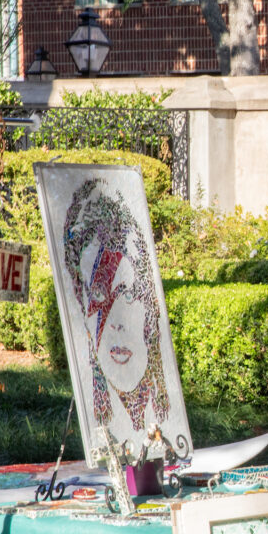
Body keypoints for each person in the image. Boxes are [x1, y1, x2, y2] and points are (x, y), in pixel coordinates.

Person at [64, 178, 172, 432]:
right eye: (99, 295)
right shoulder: (102, 415)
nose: (116, 322)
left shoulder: (162, 419)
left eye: (128, 295)